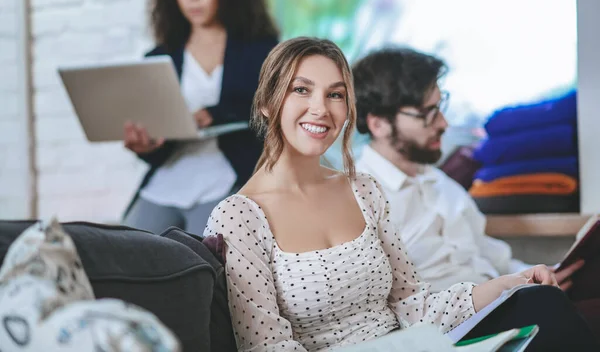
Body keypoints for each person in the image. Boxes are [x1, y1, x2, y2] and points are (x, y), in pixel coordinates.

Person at [203, 37, 598, 351]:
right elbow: (267, 347)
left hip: (415, 343)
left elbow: (415, 306)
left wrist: (510, 282)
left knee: (542, 303)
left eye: (336, 94)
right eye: (301, 90)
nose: (320, 108)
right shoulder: (238, 216)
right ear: (268, 104)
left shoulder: (363, 190)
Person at [352, 46, 600, 338]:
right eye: (426, 114)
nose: (443, 124)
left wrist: (543, 272)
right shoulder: (358, 198)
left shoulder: (444, 186)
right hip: (446, 328)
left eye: (440, 108)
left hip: (501, 303)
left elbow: (495, 258)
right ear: (378, 123)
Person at [123, 0, 279, 236]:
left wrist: (215, 115)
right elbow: (159, 141)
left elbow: (275, 112)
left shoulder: (260, 49)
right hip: (169, 178)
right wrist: (146, 147)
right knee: (128, 251)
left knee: (203, 261)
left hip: (227, 175)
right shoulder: (159, 57)